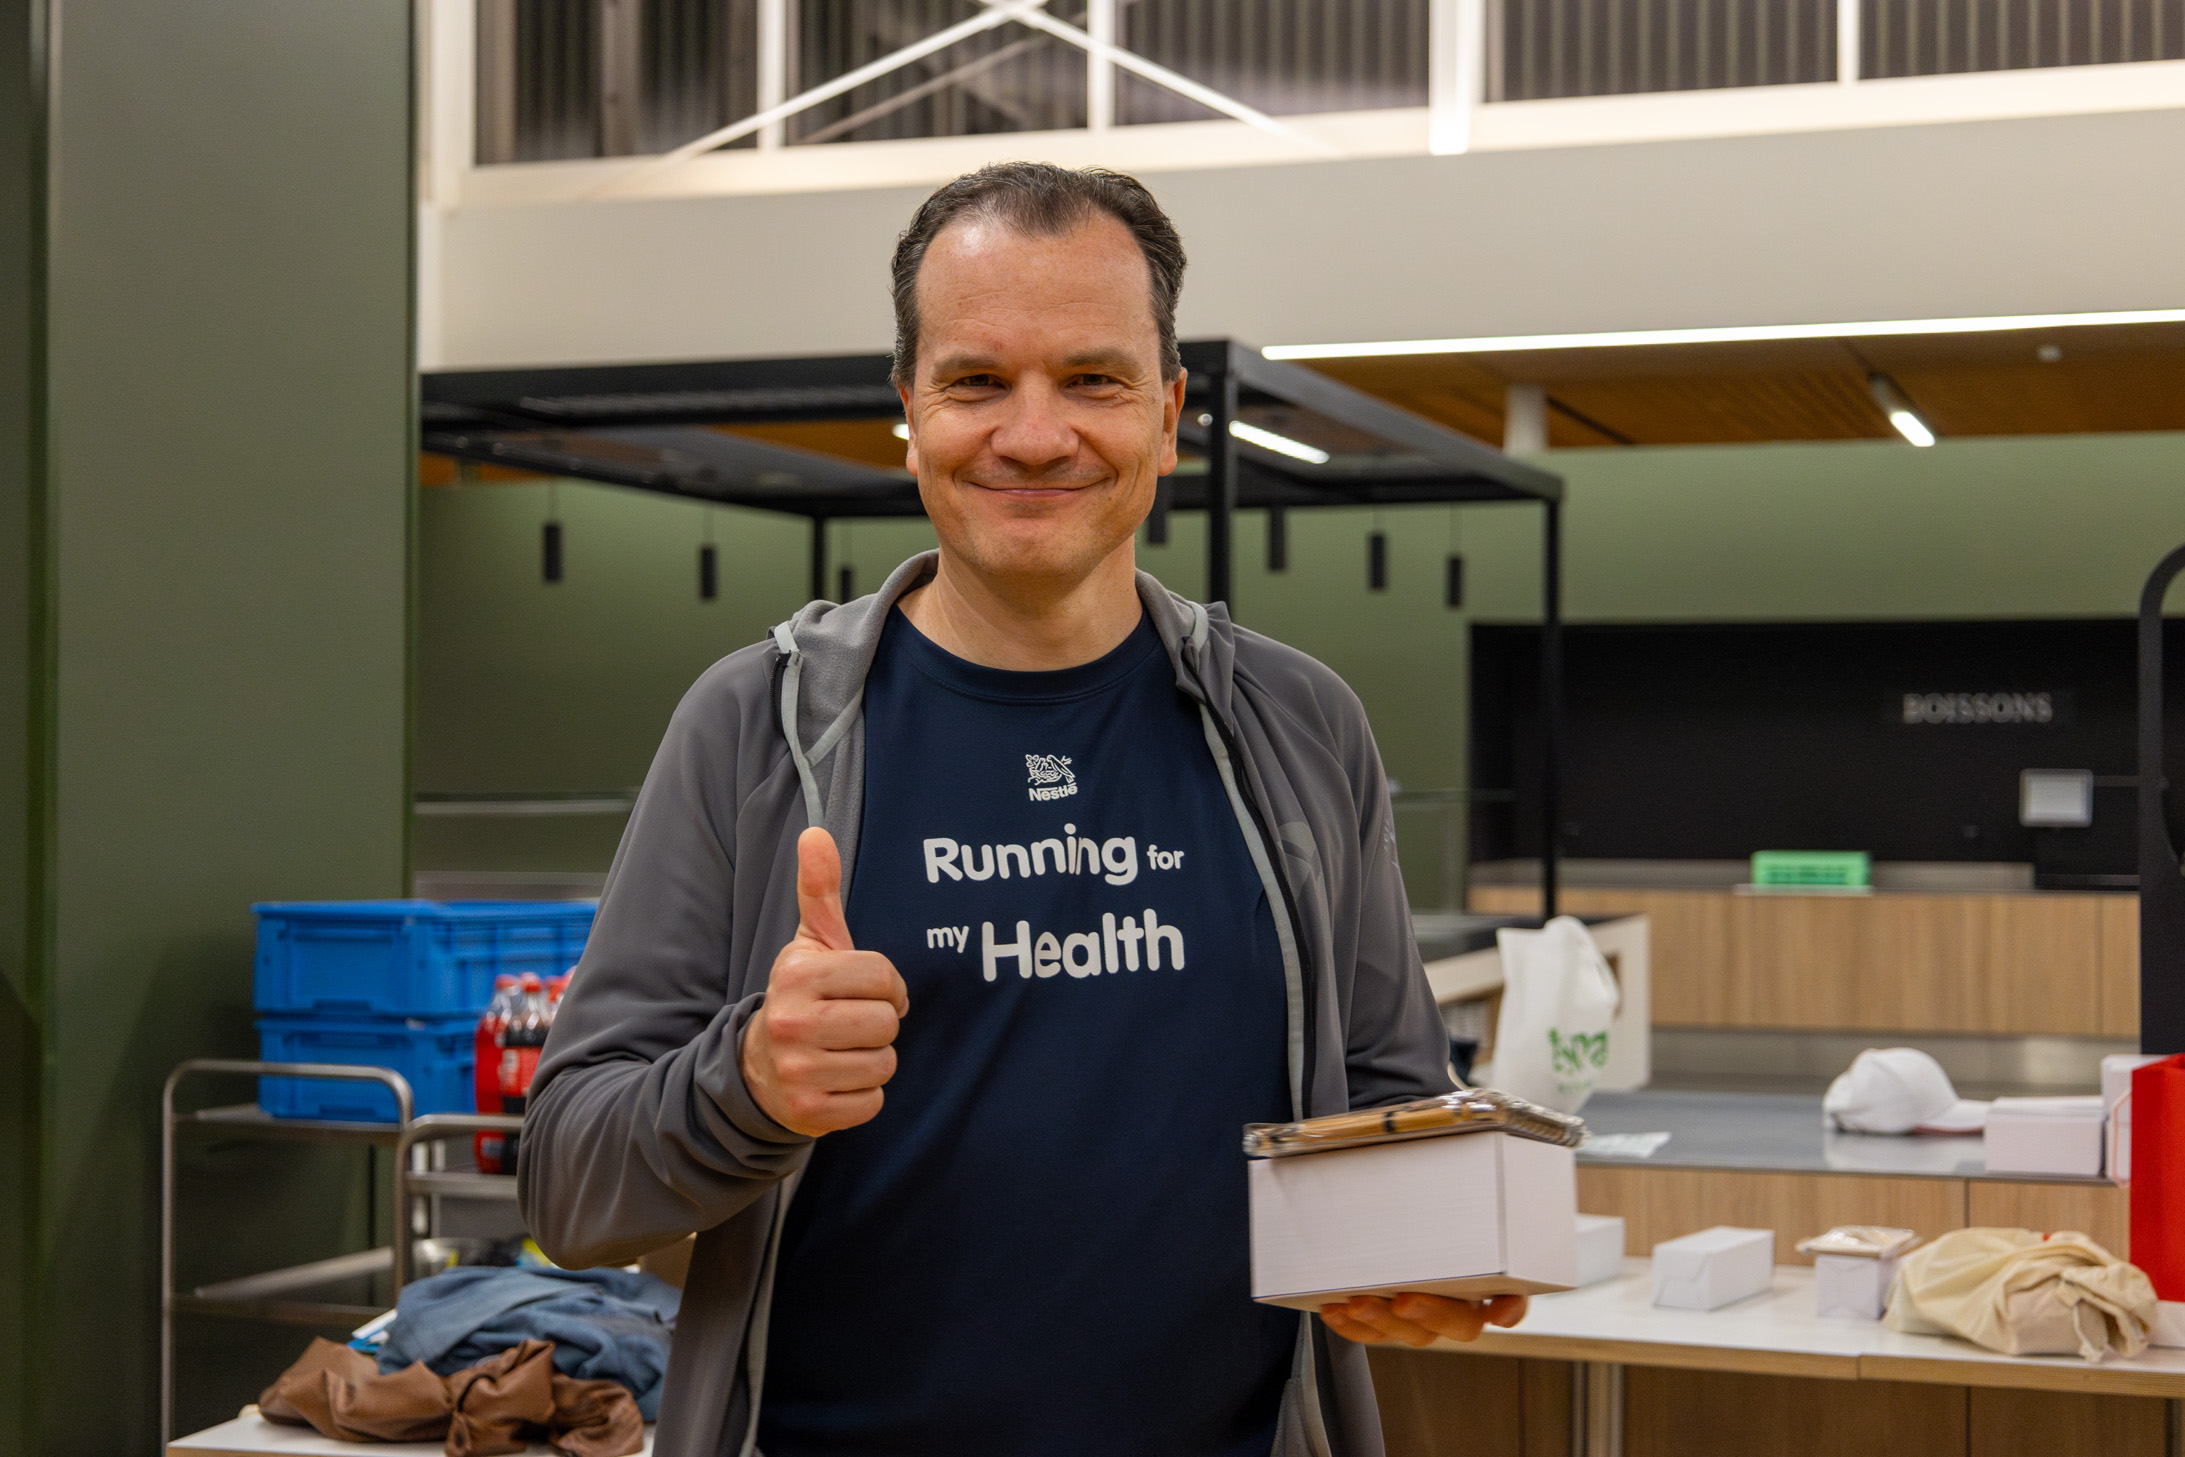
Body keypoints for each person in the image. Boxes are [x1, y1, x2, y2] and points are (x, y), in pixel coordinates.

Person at [519, 161, 1525, 1457]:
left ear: (1168, 414)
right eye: (978, 381)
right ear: (909, 410)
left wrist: (1434, 1248)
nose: (1036, 435)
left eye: (1093, 379)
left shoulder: (1297, 724)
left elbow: (1390, 1105)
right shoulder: (751, 728)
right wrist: (750, 1082)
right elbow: (569, 1184)